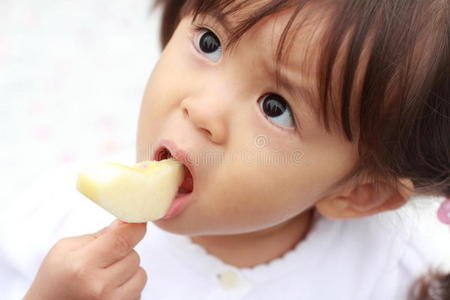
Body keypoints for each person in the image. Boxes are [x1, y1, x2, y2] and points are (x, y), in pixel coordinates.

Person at [0, 0, 448, 299]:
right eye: (209, 43)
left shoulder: (393, 277)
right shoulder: (60, 223)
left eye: (277, 108)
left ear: (358, 194)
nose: (202, 110)